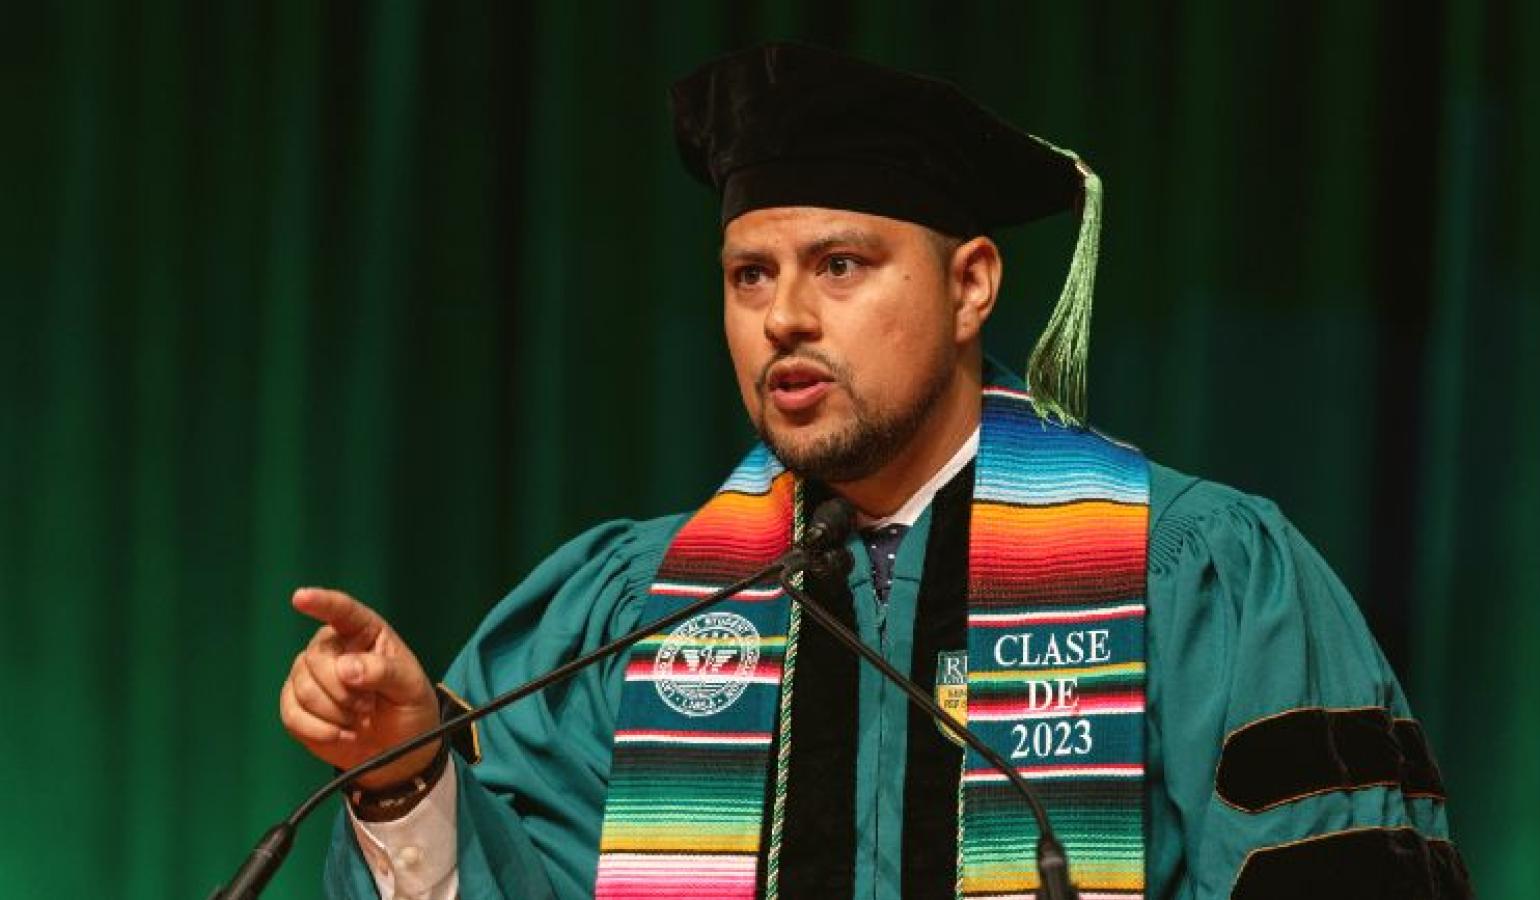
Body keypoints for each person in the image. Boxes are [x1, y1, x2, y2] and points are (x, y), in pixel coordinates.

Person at [280, 43, 1472, 900]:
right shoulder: (636, 609)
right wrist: (409, 770)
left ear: (970, 287)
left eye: (839, 265)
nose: (784, 317)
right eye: (751, 275)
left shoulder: (1195, 575)